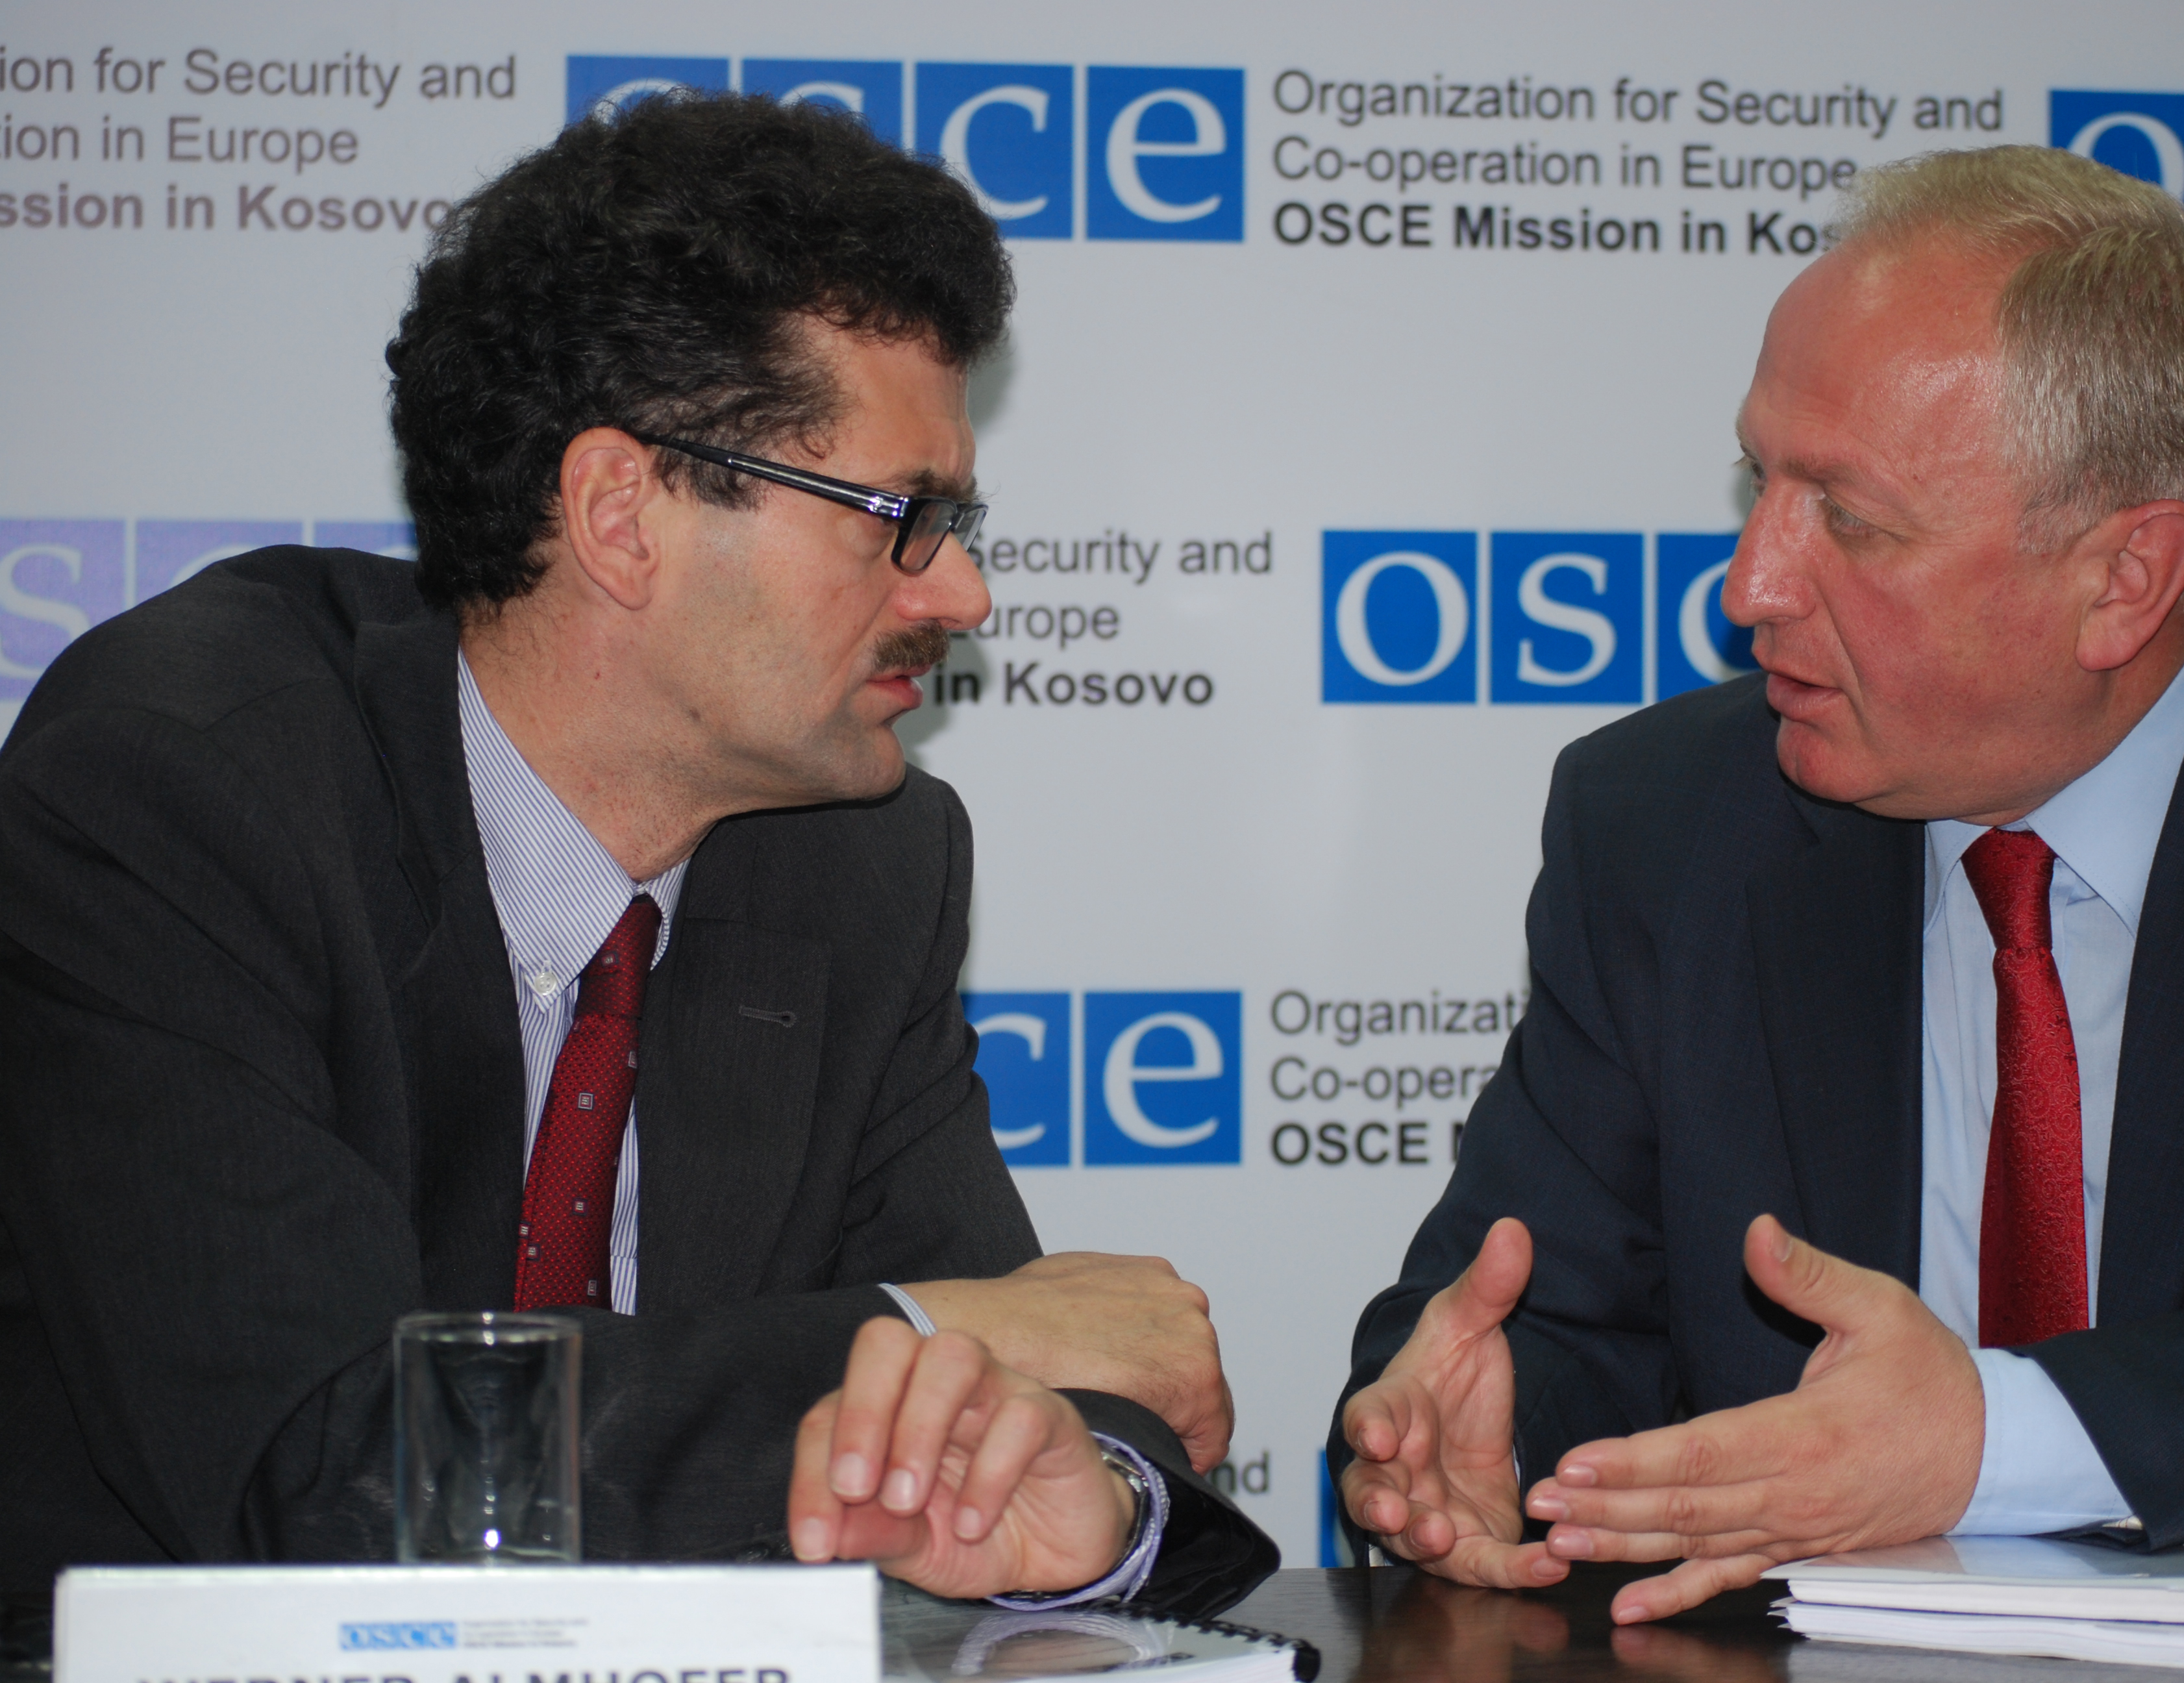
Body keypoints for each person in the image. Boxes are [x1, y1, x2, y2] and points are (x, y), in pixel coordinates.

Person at [0, 92, 1273, 1616]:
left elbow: (1050, 1365)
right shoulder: (184, 790)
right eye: (899, 516)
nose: (962, 596)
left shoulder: (865, 862)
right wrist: (930, 1332)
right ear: (622, 514)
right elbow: (327, 1471)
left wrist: (1091, 1506)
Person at [1331, 143, 2184, 1624]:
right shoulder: (1665, 824)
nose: (1749, 586)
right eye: (1761, 480)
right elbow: (1541, 1313)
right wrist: (1478, 1443)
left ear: (2123, 580)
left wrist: (1990, 1441)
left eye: (1850, 518)